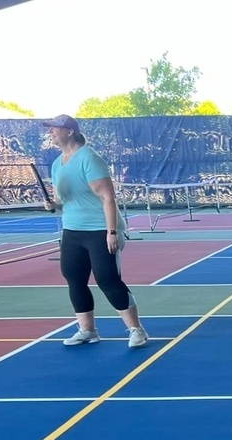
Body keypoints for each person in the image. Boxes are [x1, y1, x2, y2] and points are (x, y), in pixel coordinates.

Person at [42, 114, 148, 348]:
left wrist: (111, 232)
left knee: (107, 279)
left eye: (54, 128)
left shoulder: (89, 158)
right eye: (49, 129)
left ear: (69, 131)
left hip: (99, 229)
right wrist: (53, 204)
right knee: (74, 279)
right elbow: (61, 200)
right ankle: (87, 330)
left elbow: (107, 197)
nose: (51, 132)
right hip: (72, 230)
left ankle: (136, 329)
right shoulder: (57, 163)